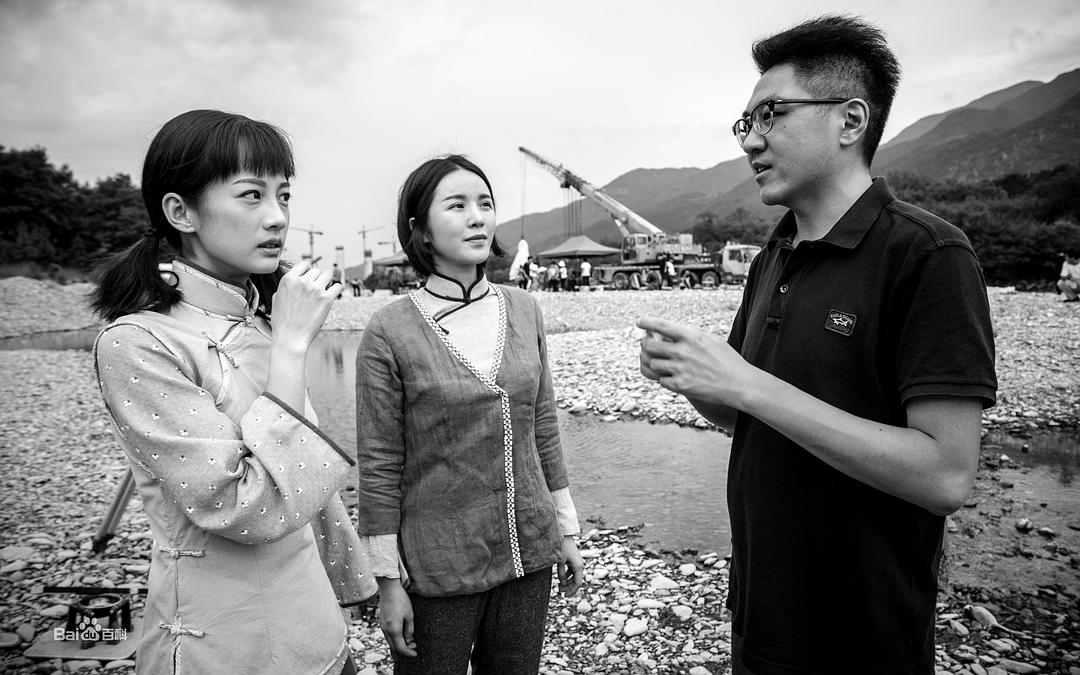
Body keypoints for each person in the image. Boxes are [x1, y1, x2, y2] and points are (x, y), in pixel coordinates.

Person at [638, 16, 996, 674]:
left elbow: (945, 474)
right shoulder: (772, 254)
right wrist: (693, 377)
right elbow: (746, 414)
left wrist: (747, 384)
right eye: (744, 123)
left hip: (863, 640)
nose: (751, 139)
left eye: (769, 114)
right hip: (760, 619)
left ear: (850, 121)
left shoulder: (927, 255)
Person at [89, 110, 375, 675]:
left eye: (284, 196)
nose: (277, 217)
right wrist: (290, 346)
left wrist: (355, 580)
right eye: (251, 195)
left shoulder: (261, 319)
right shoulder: (138, 343)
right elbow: (247, 507)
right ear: (181, 212)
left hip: (318, 630)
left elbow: (305, 483)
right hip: (222, 647)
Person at [355, 154, 585, 674]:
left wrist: (566, 532)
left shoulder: (524, 308)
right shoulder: (389, 330)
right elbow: (380, 463)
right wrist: (387, 581)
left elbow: (544, 428)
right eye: (456, 205)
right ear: (420, 228)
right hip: (438, 563)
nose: (477, 217)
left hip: (529, 551)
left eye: (485, 203)